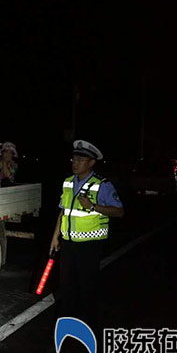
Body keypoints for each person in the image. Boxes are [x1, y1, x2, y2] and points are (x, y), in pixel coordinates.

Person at [49, 139, 124, 331]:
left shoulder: (102, 185)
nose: (75, 163)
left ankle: (89, 326)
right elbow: (63, 211)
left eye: (80, 160)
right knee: (66, 285)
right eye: (74, 159)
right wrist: (55, 237)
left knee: (87, 287)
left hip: (89, 245)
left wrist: (93, 206)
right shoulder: (68, 182)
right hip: (68, 243)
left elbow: (119, 211)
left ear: (91, 163)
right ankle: (66, 324)